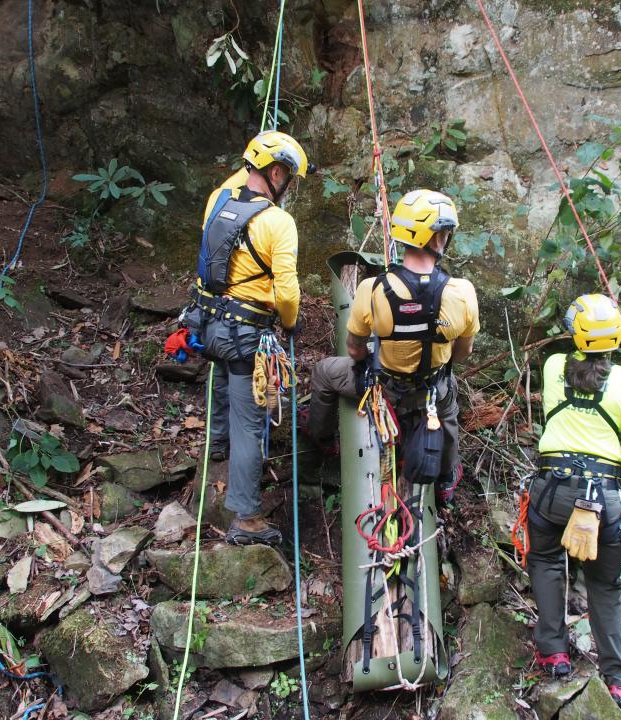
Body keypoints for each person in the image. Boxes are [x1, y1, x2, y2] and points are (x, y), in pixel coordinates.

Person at [527, 293, 621, 712]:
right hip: (603, 498)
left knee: (544, 561)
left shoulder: (552, 366)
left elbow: (586, 374)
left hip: (552, 490)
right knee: (605, 587)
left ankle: (554, 651)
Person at [171, 130, 313, 546]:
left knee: (222, 377)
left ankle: (216, 444)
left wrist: (257, 152)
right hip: (246, 334)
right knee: (250, 424)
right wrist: (290, 321)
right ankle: (247, 517)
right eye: (289, 176)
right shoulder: (278, 223)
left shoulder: (218, 200)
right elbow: (287, 292)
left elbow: (239, 182)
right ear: (275, 172)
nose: (290, 186)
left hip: (208, 326)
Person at [304, 189, 479, 499]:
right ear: (437, 239)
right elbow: (462, 354)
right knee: (448, 407)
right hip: (430, 392)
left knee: (324, 372)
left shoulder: (371, 290)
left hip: (384, 390)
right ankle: (446, 476)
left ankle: (321, 437)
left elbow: (355, 349)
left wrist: (382, 352)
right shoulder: (462, 293)